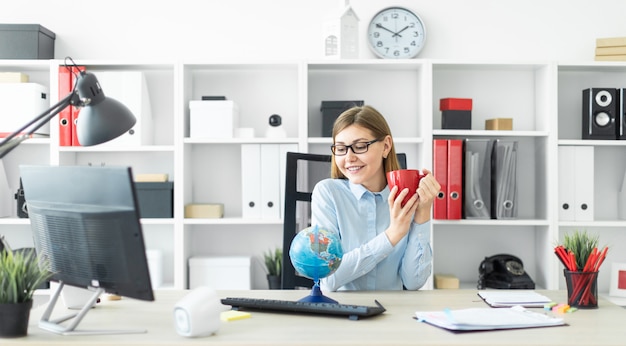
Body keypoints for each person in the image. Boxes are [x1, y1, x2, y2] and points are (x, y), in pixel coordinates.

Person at [311, 105, 440, 291]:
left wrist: (423, 212)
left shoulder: (405, 197)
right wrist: (392, 235)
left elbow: (413, 282)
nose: (349, 157)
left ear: (386, 146)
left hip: (392, 312)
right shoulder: (328, 193)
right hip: (341, 312)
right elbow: (328, 279)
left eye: (360, 146)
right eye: (340, 149)